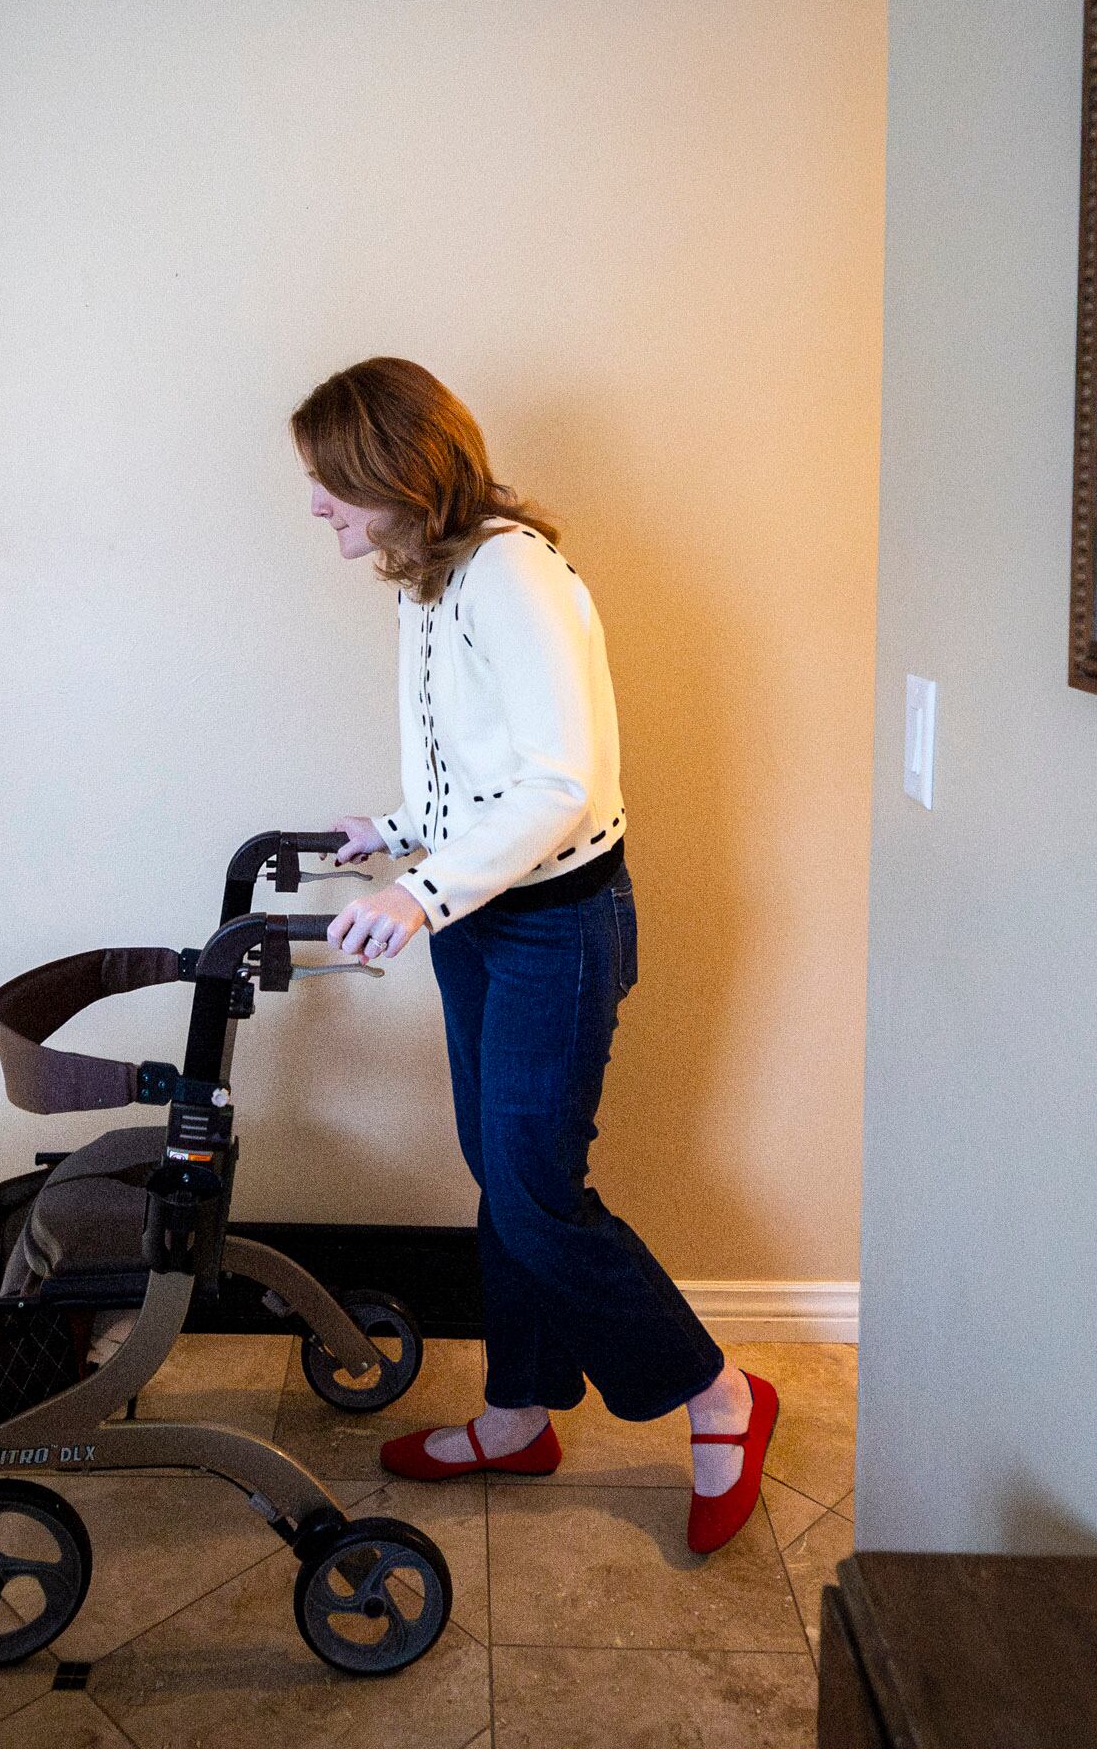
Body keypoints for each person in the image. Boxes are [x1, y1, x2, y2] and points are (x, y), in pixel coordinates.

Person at [291, 357, 779, 1557]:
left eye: (329, 484)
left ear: (393, 472)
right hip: (486, 914)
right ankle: (518, 1413)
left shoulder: (512, 571)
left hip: (556, 923)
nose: (317, 509)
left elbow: (562, 780)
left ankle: (720, 1395)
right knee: (501, 1170)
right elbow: (483, 763)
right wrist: (401, 835)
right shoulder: (426, 578)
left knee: (536, 1190)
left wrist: (419, 893)